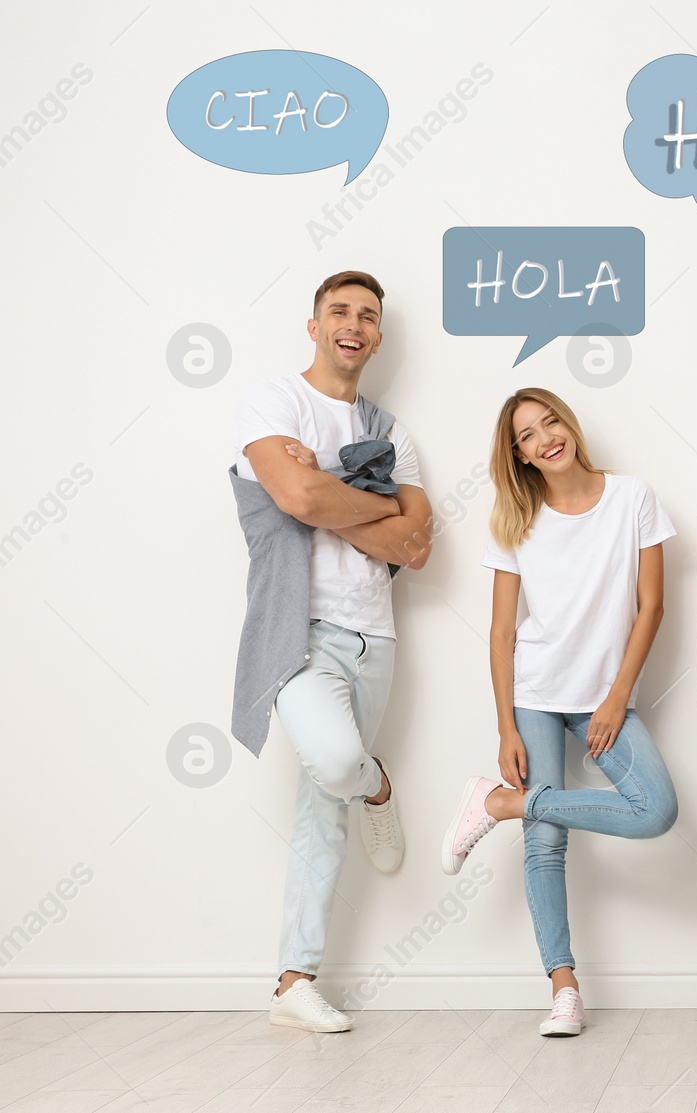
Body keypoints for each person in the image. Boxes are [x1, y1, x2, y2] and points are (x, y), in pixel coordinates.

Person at [440, 388, 679, 1038]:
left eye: (551, 421)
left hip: (603, 697)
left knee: (656, 809)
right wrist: (505, 725)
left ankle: (497, 804)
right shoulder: (517, 518)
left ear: (568, 424)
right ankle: (564, 987)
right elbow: (500, 632)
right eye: (528, 434)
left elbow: (651, 605)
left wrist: (617, 695)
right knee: (547, 843)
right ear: (516, 454)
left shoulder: (633, 498)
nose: (546, 437)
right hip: (536, 694)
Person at [230, 271, 433, 1033]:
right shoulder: (274, 401)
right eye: (340, 312)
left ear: (378, 336)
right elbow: (297, 500)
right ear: (314, 325)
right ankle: (378, 787)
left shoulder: (392, 426)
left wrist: (323, 485)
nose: (354, 325)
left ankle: (293, 981)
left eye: (369, 316)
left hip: (374, 635)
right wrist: (350, 498)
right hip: (298, 630)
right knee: (340, 762)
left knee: (321, 806)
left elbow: (415, 545)